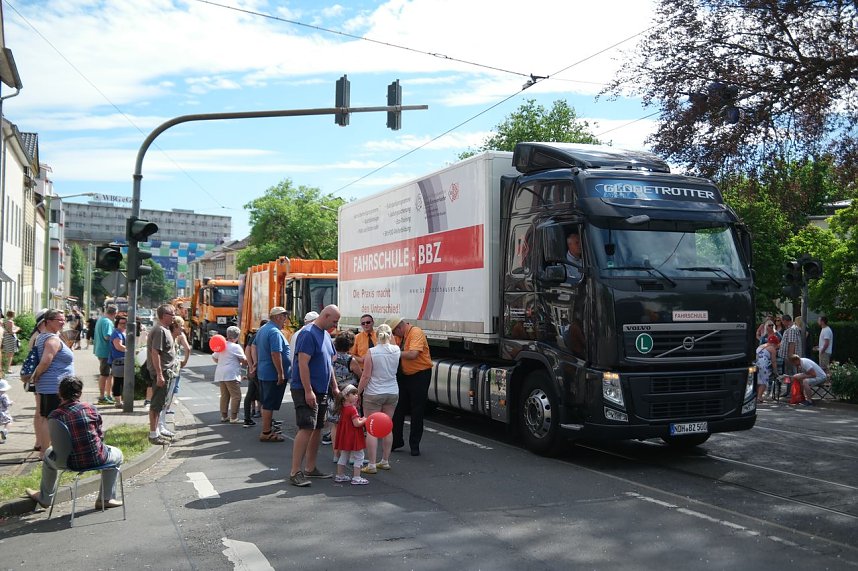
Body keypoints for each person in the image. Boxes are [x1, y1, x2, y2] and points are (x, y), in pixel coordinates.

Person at [26, 376, 124, 510]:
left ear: (60, 394)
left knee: (48, 455)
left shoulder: (54, 415)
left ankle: (45, 498)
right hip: (97, 458)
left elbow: (57, 445)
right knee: (117, 454)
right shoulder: (90, 408)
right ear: (80, 393)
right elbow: (100, 435)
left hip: (67, 462)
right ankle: (106, 498)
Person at [289, 305, 340, 487]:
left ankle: (310, 468)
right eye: (334, 321)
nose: (335, 324)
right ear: (325, 316)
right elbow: (302, 363)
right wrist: (308, 390)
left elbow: (329, 364)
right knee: (306, 427)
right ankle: (295, 472)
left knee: (317, 428)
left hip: (321, 389)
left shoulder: (325, 335)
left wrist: (334, 387)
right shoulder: (308, 333)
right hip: (306, 389)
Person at [31, 309, 75, 459]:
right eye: (59, 320)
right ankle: (47, 452)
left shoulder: (45, 337)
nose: (63, 322)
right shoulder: (52, 340)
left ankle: (46, 451)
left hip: (50, 385)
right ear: (48, 321)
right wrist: (35, 376)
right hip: (54, 386)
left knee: (46, 417)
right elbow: (45, 362)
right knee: (51, 419)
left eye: (64, 319)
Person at [357, 323, 400, 474]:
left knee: (372, 429)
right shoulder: (397, 350)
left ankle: (372, 464)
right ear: (391, 336)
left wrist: (358, 392)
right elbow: (392, 346)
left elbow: (366, 375)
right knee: (387, 426)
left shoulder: (372, 352)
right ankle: (385, 461)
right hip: (392, 391)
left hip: (374, 393)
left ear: (376, 335)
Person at [388, 315, 432, 457]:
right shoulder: (399, 335)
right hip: (403, 375)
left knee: (417, 410)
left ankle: (415, 445)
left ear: (400, 328)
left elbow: (413, 354)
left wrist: (394, 353)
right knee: (398, 408)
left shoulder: (416, 332)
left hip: (419, 375)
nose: (394, 336)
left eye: (395, 332)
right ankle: (396, 441)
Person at [255, 307, 292, 443]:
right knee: (269, 403)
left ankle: (267, 429)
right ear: (277, 317)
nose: (285, 320)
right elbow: (275, 353)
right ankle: (266, 432)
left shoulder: (263, 329)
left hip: (265, 371)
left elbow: (255, 347)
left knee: (266, 402)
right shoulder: (274, 332)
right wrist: (281, 373)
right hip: (272, 373)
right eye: (284, 317)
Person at [325, 331, 362, 455]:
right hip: (349, 397)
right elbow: (360, 375)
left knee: (335, 424)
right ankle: (350, 454)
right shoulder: (351, 360)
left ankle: (336, 454)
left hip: (333, 394)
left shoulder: (331, 357)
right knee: (351, 424)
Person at [146, 304, 177, 445]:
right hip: (162, 372)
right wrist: (159, 374)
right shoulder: (159, 330)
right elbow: (155, 353)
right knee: (156, 404)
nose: (174, 317)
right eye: (172, 314)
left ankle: (156, 432)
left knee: (160, 404)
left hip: (166, 371)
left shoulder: (165, 329)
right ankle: (153, 435)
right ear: (164, 315)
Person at [332, 384, 368, 485]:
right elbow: (356, 423)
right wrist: (365, 420)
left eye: (356, 393)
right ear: (346, 396)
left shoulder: (343, 408)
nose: (356, 395)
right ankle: (356, 477)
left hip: (345, 436)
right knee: (359, 455)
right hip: (353, 436)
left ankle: (340, 475)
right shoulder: (352, 409)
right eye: (353, 393)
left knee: (344, 454)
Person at [212, 326, 247, 423]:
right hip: (231, 374)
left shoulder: (222, 345)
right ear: (237, 336)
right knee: (236, 396)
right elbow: (244, 360)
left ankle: (224, 416)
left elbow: (214, 357)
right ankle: (233, 417)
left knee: (224, 395)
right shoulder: (236, 347)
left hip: (221, 373)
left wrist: (222, 362)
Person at [242, 320, 266, 426]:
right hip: (257, 369)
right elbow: (249, 349)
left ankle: (248, 417)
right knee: (264, 393)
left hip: (253, 369)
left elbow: (248, 349)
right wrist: (253, 365)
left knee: (251, 393)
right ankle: (266, 420)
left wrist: (251, 366)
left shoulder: (255, 335)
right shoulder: (259, 335)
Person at [93, 306, 117, 405]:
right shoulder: (107, 322)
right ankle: (102, 397)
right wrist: (117, 337)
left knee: (109, 375)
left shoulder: (101, 319)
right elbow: (107, 336)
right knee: (104, 375)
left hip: (101, 350)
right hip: (105, 352)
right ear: (114, 313)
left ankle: (108, 395)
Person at [107, 314, 128, 409]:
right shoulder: (116, 333)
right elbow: (118, 346)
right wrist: (130, 350)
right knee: (118, 381)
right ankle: (118, 402)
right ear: (117, 324)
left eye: (125, 323)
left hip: (123, 360)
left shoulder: (123, 333)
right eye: (121, 323)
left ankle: (121, 400)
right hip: (118, 361)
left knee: (123, 381)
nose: (124, 325)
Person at [777, 314, 802, 381]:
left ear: (785, 321)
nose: (782, 323)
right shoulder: (794, 328)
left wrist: (790, 356)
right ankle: (790, 389)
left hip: (789, 357)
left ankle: (791, 389)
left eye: (782, 321)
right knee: (789, 373)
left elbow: (792, 343)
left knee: (790, 374)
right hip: (790, 356)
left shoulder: (791, 330)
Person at [755, 335, 779, 403]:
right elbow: (773, 361)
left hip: (756, 364)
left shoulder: (761, 346)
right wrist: (775, 371)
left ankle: (756, 396)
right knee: (764, 382)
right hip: (763, 366)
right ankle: (759, 397)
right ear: (775, 343)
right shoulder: (772, 348)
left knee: (758, 382)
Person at [2, 310, 20, 375]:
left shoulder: (5, 321)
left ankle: (5, 368)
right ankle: (8, 369)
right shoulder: (11, 322)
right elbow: (11, 331)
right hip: (11, 338)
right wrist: (17, 329)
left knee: (6, 353)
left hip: (6, 337)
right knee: (10, 354)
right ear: (13, 315)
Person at [0, 378, 12, 443]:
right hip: (3, 413)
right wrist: (11, 402)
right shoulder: (4, 396)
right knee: (9, 422)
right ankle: (5, 431)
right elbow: (6, 404)